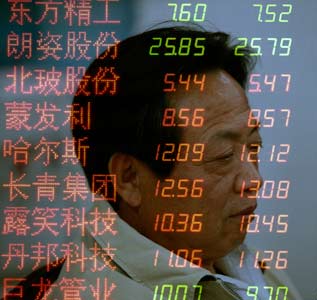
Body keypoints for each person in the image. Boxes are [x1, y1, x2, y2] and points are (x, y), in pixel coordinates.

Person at [12, 25, 300, 300]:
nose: (254, 181)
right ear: (129, 178)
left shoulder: (237, 262)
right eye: (223, 155)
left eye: (254, 146)